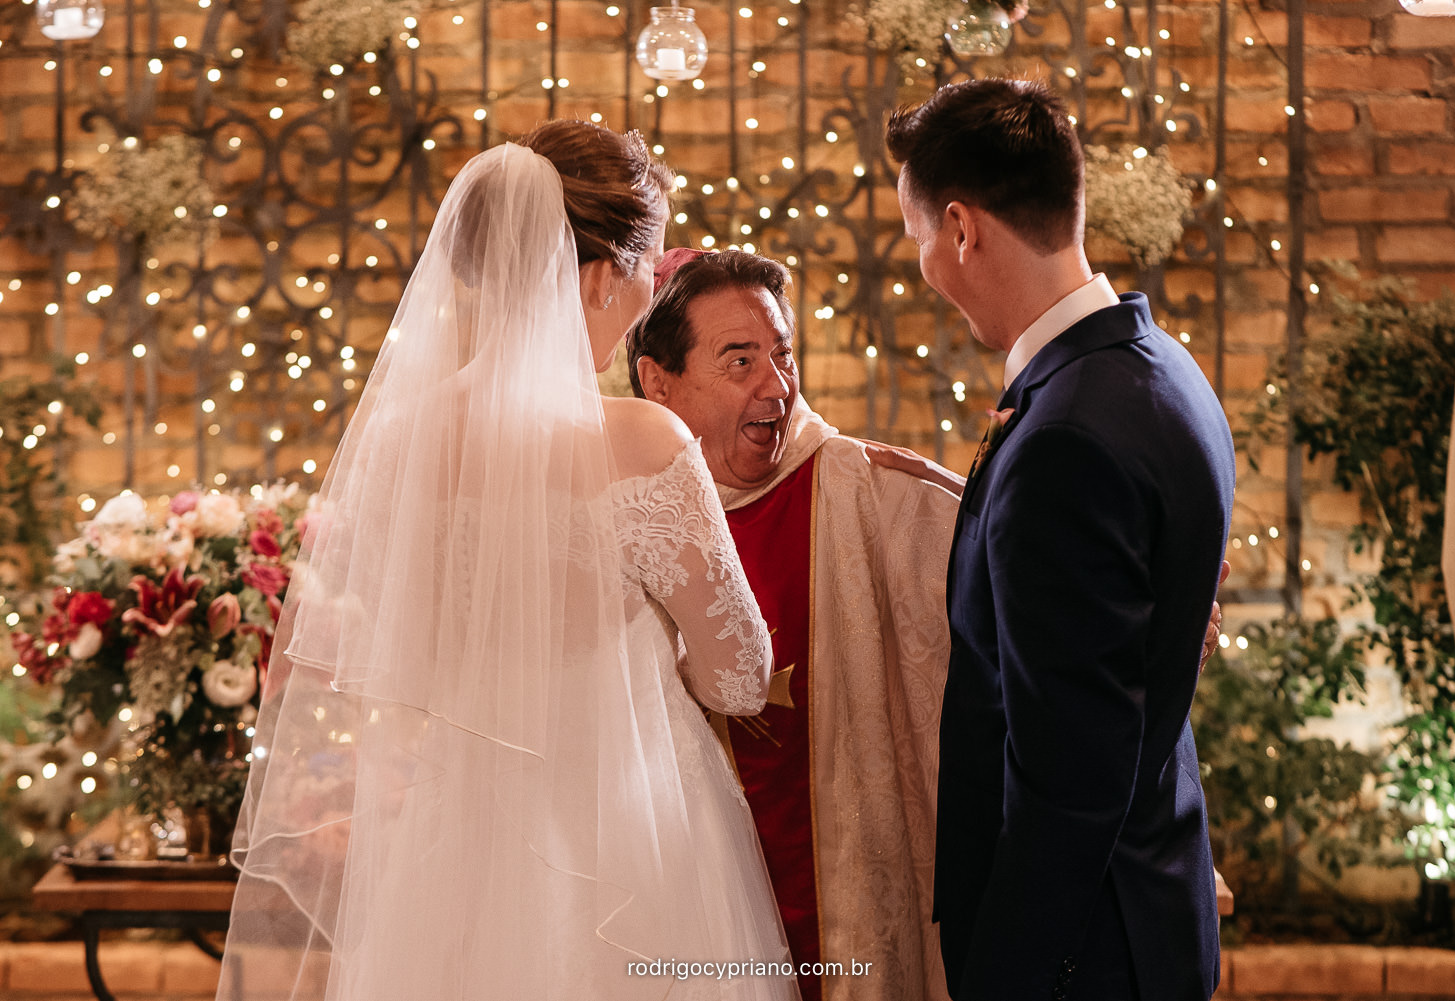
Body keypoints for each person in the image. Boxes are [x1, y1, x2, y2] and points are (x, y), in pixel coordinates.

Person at [217, 124, 797, 1001]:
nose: (652, 282)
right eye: (649, 262)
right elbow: (743, 675)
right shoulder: (643, 441)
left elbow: (391, 647)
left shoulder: (406, 440)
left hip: (453, 848)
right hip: (630, 841)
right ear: (601, 276)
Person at [887, 78, 1235, 1001]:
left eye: (919, 235)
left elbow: (1068, 777)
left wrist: (1006, 975)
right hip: (1152, 894)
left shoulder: (1063, 438)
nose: (923, 262)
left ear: (961, 229)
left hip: (1084, 950)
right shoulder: (1162, 368)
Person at [629, 248, 960, 1001]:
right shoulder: (622, 510)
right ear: (658, 380)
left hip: (850, 919)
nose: (776, 386)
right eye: (740, 361)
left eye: (782, 355)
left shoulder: (867, 490)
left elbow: (1027, 569)